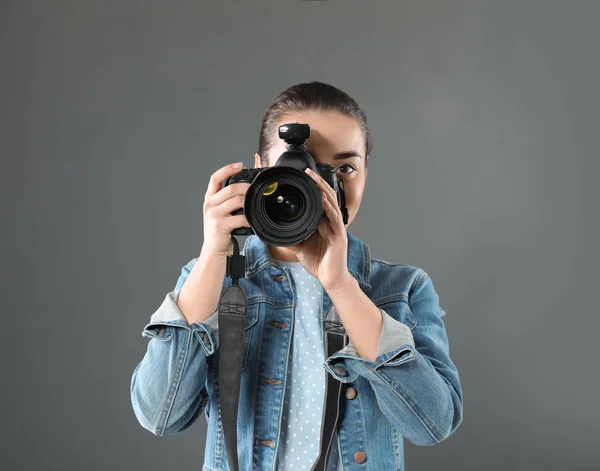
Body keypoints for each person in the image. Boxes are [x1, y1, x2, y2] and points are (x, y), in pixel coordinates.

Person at [130, 81, 463, 470]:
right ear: (259, 171)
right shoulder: (212, 277)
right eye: (302, 169)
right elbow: (160, 415)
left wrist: (341, 285)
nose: (320, 186)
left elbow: (433, 424)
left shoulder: (401, 289)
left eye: (344, 168)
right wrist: (212, 256)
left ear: (366, 172)